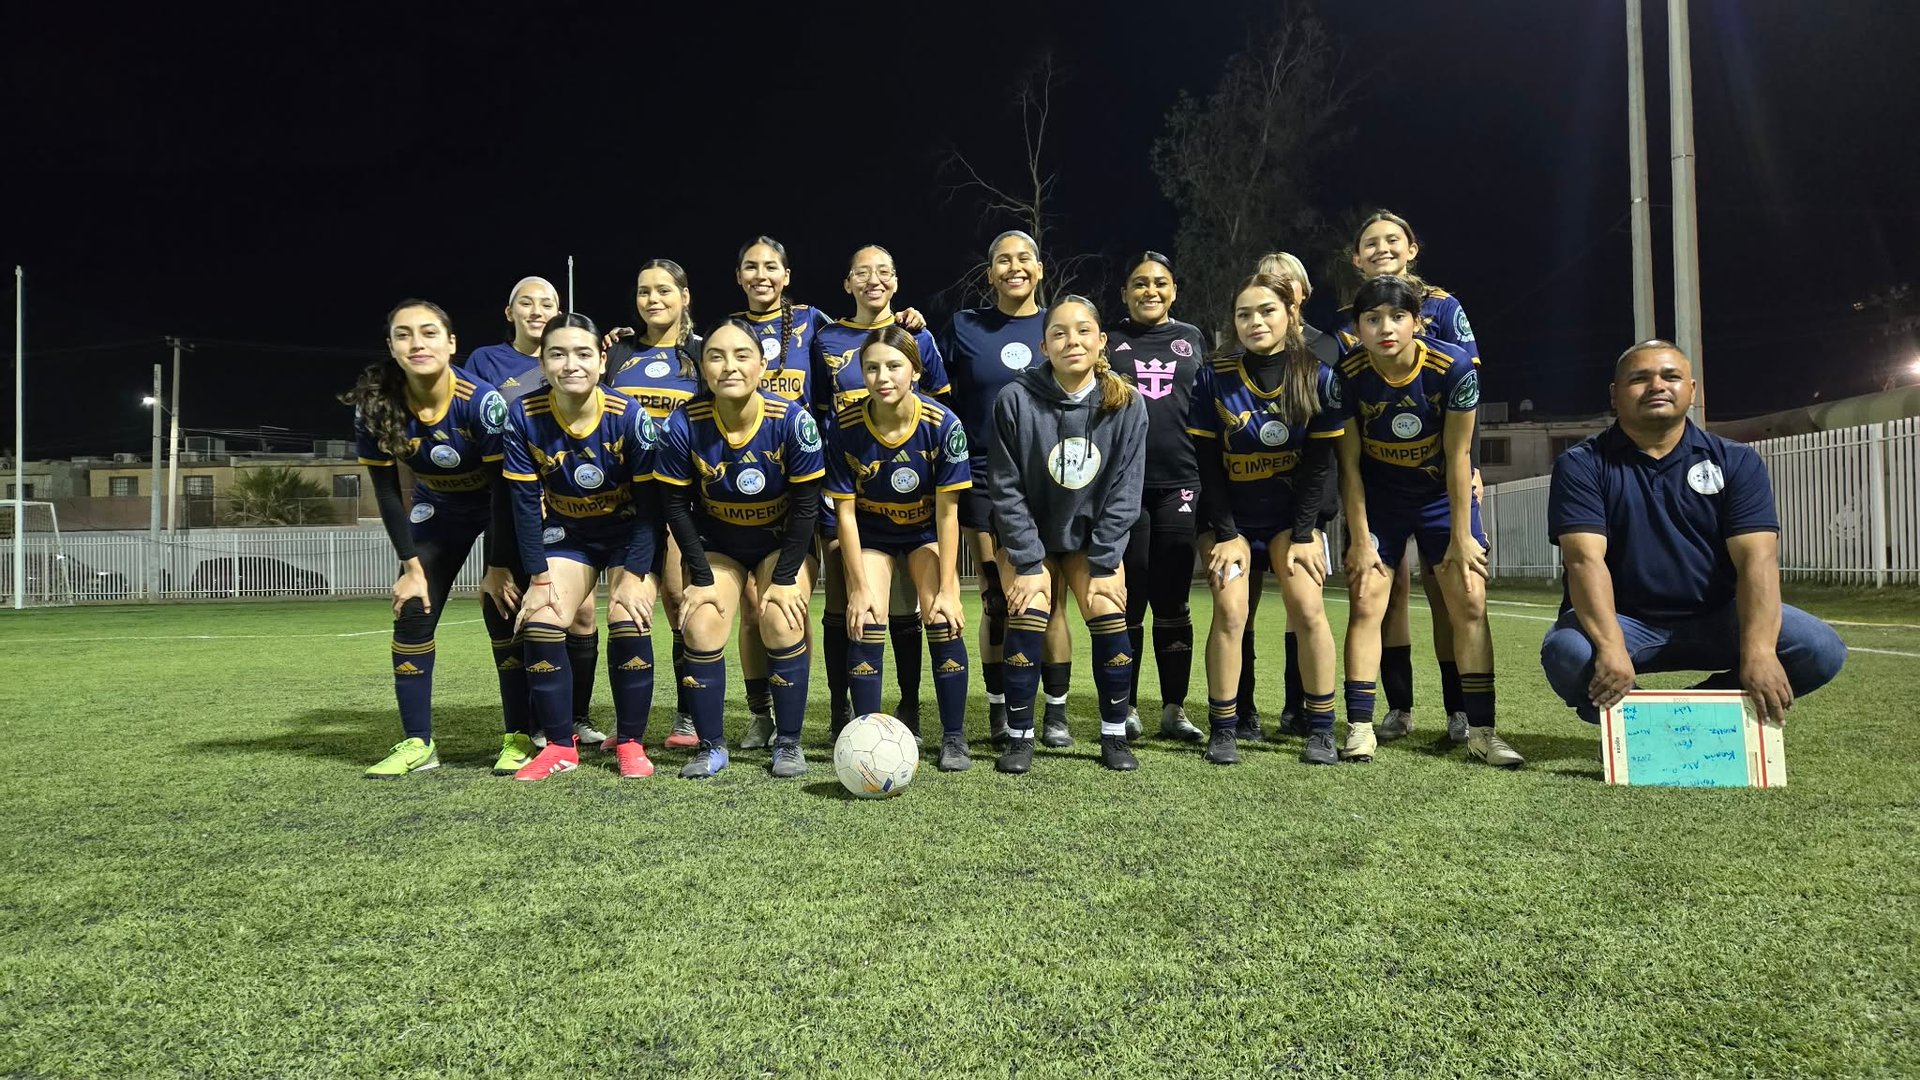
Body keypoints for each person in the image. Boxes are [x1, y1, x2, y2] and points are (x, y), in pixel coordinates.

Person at [1540, 340, 1846, 726]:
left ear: (1692, 390)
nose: (1657, 386)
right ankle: (1637, 729)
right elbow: (1584, 560)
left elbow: (1757, 559)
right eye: (1639, 378)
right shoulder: (1582, 465)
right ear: (1615, 395)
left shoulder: (1736, 461)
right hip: (1627, 621)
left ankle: (1691, 718)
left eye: (1671, 376)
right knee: (1568, 652)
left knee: (1819, 648)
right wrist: (1611, 645)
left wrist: (1760, 651)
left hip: (1719, 616)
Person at [1335, 275, 1522, 768]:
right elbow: (1349, 464)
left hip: (1440, 496)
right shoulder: (1347, 373)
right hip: (1381, 499)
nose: (1385, 328)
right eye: (1372, 319)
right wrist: (1358, 538)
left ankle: (1482, 731)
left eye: (1397, 317)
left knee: (1469, 597)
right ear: (1358, 328)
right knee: (1366, 596)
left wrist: (1462, 536)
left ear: (1417, 322)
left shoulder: (1454, 366)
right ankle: (1359, 727)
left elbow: (1459, 456)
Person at [346, 300, 525, 778]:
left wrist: (498, 567)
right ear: (391, 346)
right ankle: (417, 743)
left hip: (495, 506)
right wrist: (410, 567)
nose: (417, 343)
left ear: (451, 343)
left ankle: (519, 736)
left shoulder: (481, 402)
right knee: (412, 612)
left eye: (428, 333)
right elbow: (385, 490)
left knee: (502, 610)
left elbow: (505, 491)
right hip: (438, 508)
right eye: (404, 335)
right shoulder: (376, 406)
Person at [655, 316, 827, 779]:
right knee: (702, 622)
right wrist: (701, 578)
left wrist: (788, 579)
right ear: (702, 367)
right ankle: (712, 747)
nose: (729, 366)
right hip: (718, 546)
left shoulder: (793, 421)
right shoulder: (682, 424)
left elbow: (807, 507)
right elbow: (675, 506)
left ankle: (788, 743)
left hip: (782, 543)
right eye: (716, 356)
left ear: (762, 363)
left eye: (741, 355)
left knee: (779, 616)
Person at [1337, 211, 1483, 743]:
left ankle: (1461, 710)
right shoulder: (1347, 322)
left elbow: (1462, 396)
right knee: (1384, 591)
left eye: (1392, 240)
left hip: (1439, 471)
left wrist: (1470, 465)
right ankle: (1397, 707)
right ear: (1356, 258)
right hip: (1381, 482)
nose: (1381, 249)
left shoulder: (1442, 306)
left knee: (1450, 593)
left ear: (1412, 248)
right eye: (1369, 243)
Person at [988, 295, 1148, 774]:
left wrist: (1104, 562)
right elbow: (1006, 487)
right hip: (1028, 538)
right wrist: (1029, 562)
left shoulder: (1127, 403)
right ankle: (1020, 737)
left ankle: (1114, 734)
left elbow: (1126, 490)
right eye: (1059, 332)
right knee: (1031, 607)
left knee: (1105, 606)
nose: (1071, 340)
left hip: (1088, 540)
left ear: (1101, 342)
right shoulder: (1014, 398)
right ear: (1043, 345)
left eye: (1083, 331)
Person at [1190, 274, 1344, 766]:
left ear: (1290, 315)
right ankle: (1225, 726)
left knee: (1307, 606)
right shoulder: (1213, 375)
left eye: (1266, 311)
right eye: (1244, 314)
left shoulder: (1317, 374)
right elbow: (1208, 466)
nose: (1255, 321)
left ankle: (1320, 727)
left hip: (1286, 522)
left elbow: (1320, 466)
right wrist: (1227, 534)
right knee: (1232, 612)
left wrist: (1303, 534)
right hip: (1229, 519)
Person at [502, 314, 664, 781]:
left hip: (630, 532)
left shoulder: (628, 415)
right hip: (569, 534)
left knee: (625, 615)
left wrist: (635, 575)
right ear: (543, 361)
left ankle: (631, 741)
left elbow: (652, 509)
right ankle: (559, 745)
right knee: (542, 618)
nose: (570, 364)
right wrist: (537, 577)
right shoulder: (524, 414)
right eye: (557, 353)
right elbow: (523, 506)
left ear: (601, 360)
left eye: (582, 353)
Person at [941, 229, 1077, 749]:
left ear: (1040, 268)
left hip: (1052, 476)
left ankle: (1057, 712)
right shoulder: (966, 326)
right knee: (999, 599)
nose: (1014, 267)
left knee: (1051, 599)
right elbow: (931, 377)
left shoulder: (1060, 324)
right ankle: (1001, 709)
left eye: (1024, 259)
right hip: (982, 475)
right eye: (1002, 260)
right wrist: (909, 325)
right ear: (990, 271)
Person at [813, 245, 951, 737]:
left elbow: (935, 411)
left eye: (884, 272)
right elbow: (815, 407)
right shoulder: (825, 337)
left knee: (905, 603)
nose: (874, 280)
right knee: (845, 600)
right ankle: (839, 709)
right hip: (845, 484)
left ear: (896, 281)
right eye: (862, 273)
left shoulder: (917, 335)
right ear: (847, 283)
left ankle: (910, 705)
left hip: (905, 490)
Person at [467, 275, 609, 750]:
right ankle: (526, 722)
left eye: (547, 302)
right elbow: (491, 461)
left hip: (569, 513)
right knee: (521, 610)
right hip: (515, 504)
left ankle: (575, 716)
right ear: (509, 312)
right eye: (525, 303)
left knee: (581, 614)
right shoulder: (486, 362)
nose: (536, 309)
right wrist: (496, 558)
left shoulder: (577, 363)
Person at [827, 325, 973, 770]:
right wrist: (857, 587)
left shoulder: (943, 424)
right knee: (867, 614)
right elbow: (845, 515)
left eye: (893, 366)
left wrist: (949, 588)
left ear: (915, 369)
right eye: (871, 368)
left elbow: (948, 515)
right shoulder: (845, 426)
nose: (882, 376)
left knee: (942, 616)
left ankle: (953, 737)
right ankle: (868, 734)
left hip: (924, 532)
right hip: (871, 534)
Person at [1105, 251, 1205, 742]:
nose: (1150, 291)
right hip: (1127, 486)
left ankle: (1174, 708)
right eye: (1139, 283)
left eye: (1160, 283)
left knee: (1174, 598)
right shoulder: (1111, 342)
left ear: (1174, 291)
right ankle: (1124, 708)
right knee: (1131, 597)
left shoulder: (1191, 339)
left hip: (1182, 483)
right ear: (1125, 293)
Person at [1245, 252, 1343, 740]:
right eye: (1268, 281)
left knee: (1301, 604)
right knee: (1240, 602)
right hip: (1251, 499)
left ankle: (1299, 707)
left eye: (1288, 282)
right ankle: (1241, 709)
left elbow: (1334, 433)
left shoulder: (1326, 348)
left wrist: (1318, 510)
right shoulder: (1240, 349)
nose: (1279, 288)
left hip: (1306, 500)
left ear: (1302, 292)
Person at [608, 259, 702, 750]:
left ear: (685, 295)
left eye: (664, 290)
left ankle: (689, 714)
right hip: (624, 500)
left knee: (678, 602)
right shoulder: (618, 351)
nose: (653, 299)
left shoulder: (703, 355)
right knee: (625, 605)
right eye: (644, 291)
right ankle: (622, 724)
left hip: (682, 499)